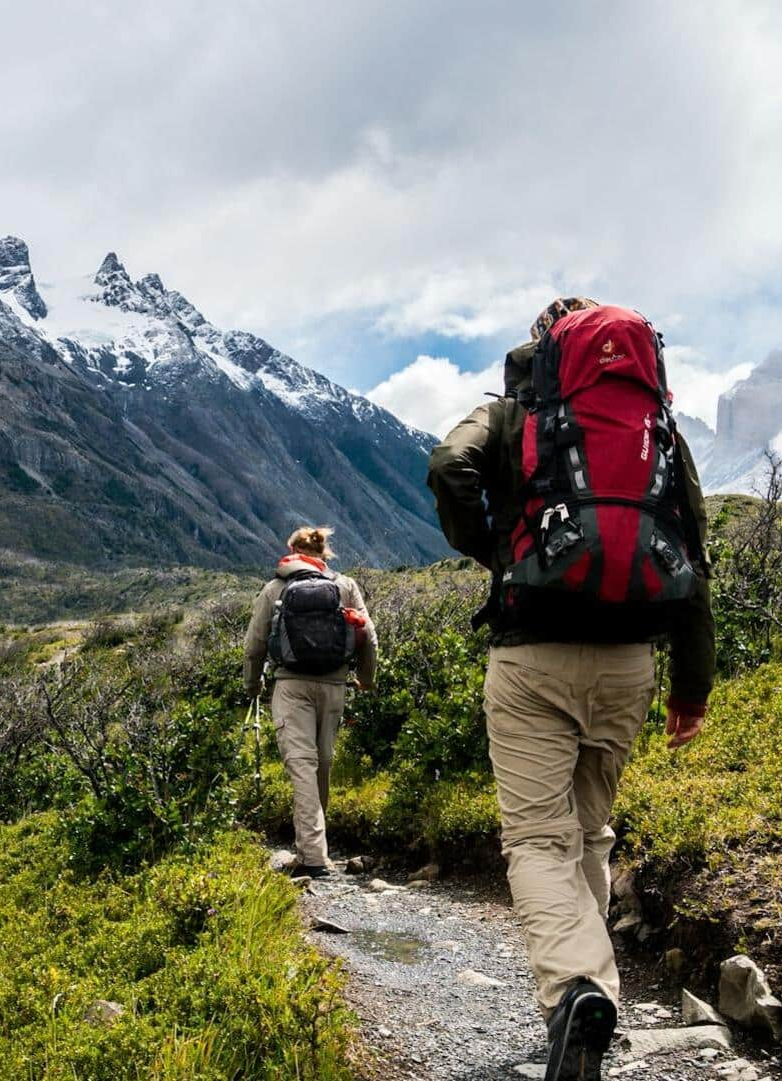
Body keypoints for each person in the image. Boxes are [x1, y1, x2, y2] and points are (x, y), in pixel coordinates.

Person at [427, 298, 714, 1081]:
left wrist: (497, 548)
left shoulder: (514, 412)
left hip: (533, 655)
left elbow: (446, 466)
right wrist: (694, 682)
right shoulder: (656, 426)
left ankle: (578, 989)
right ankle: (596, 994)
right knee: (589, 831)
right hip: (630, 663)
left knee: (534, 839)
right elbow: (690, 550)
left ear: (545, 347)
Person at [242, 525, 378, 878]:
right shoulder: (344, 586)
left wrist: (253, 685)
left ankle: (313, 857)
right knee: (323, 764)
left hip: (291, 686)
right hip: (334, 686)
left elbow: (254, 644)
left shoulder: (275, 588)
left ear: (291, 551)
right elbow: (368, 636)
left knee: (302, 765)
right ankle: (315, 848)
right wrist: (366, 678)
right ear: (324, 553)